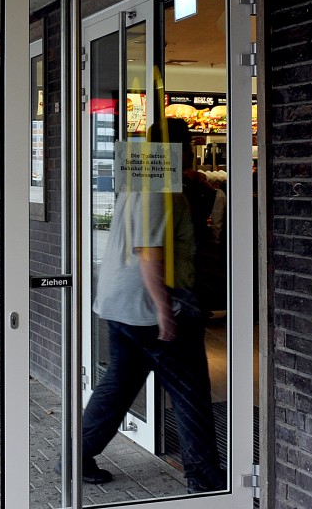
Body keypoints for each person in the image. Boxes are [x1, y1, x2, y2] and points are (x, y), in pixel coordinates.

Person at [80, 117, 224, 494]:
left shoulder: (138, 179)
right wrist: (164, 310)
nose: (193, 152)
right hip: (149, 306)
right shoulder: (159, 187)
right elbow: (149, 252)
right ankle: (206, 484)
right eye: (190, 145)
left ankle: (77, 455)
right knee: (191, 394)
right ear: (177, 150)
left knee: (119, 384)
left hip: (120, 302)